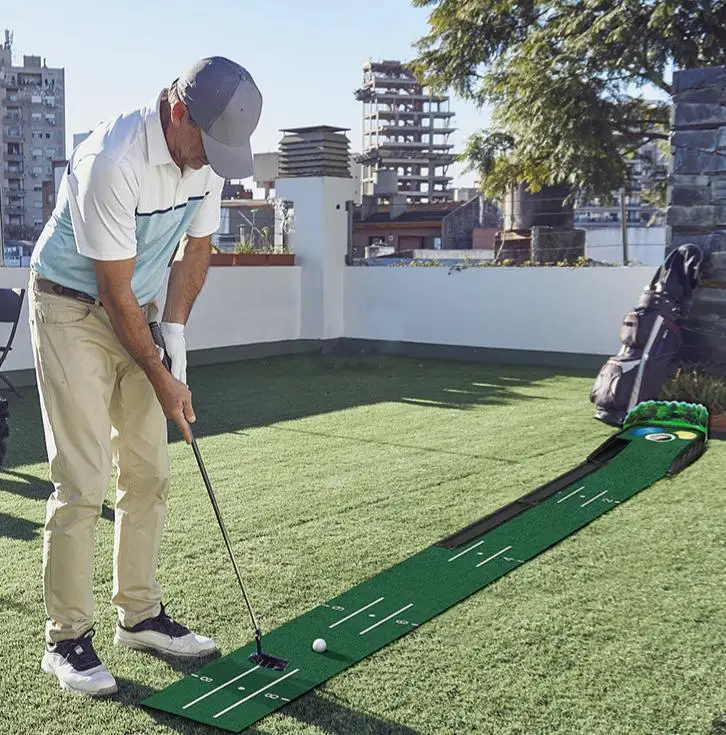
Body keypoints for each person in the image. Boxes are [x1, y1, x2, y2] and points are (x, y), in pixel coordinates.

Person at [27, 56, 262, 697]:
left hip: (143, 308)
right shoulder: (113, 160)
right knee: (82, 479)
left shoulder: (207, 158)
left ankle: (139, 615)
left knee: (148, 470)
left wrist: (175, 334)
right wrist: (163, 376)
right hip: (71, 307)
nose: (210, 163)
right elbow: (112, 290)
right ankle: (66, 638)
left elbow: (196, 249)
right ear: (178, 112)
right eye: (206, 146)